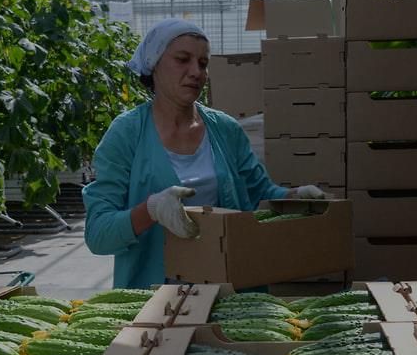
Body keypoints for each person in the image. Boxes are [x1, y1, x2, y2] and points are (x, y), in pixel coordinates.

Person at [83, 19, 326, 288]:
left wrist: (294, 196)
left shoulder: (224, 129)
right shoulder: (127, 133)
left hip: (228, 290)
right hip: (156, 297)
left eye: (203, 63)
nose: (196, 72)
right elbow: (98, 234)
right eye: (182, 59)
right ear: (154, 64)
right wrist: (150, 210)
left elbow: (261, 194)